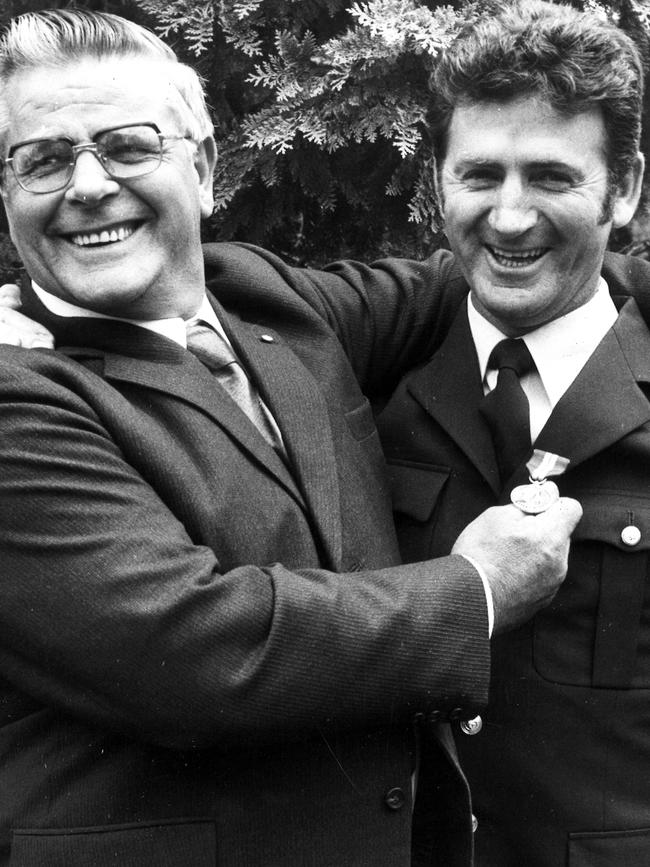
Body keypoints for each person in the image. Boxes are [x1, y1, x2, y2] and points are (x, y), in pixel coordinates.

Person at [0, 9, 582, 867]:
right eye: (43, 160)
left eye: (127, 146)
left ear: (200, 168)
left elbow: (493, 259)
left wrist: (601, 225)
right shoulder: (18, 396)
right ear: (7, 196)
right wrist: (477, 588)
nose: (87, 183)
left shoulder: (267, 301)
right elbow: (196, 651)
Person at [377, 2, 650, 864]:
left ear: (627, 187)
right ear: (438, 180)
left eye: (553, 177)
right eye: (480, 174)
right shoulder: (368, 378)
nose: (508, 215)